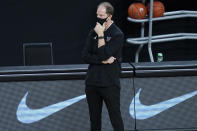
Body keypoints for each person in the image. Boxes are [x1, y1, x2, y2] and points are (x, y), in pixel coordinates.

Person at [81, 2, 124, 131]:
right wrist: (102, 62)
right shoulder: (93, 31)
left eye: (101, 15)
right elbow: (85, 55)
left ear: (109, 16)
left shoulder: (117, 34)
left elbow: (104, 53)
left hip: (109, 84)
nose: (98, 17)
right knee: (94, 121)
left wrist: (100, 35)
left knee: (115, 119)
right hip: (92, 83)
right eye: (97, 14)